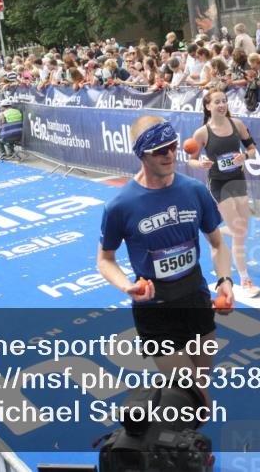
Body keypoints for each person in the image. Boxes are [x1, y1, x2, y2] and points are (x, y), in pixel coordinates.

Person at [97, 116, 234, 406]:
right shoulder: (120, 206)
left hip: (196, 297)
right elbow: (105, 260)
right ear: (141, 153)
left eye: (172, 146)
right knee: (191, 396)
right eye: (160, 150)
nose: (171, 154)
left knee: (200, 389)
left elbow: (218, 243)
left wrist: (224, 280)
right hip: (156, 309)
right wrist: (127, 287)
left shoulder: (194, 191)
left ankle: (184, 446)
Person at [189, 90, 260, 297]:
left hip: (238, 180)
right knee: (239, 232)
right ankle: (245, 280)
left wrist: (245, 156)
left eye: (224, 101)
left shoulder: (237, 124)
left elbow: (253, 149)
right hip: (219, 184)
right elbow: (190, 159)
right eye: (217, 102)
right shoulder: (202, 133)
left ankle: (217, 231)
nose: (222, 105)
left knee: (242, 228)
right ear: (208, 106)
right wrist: (200, 163)